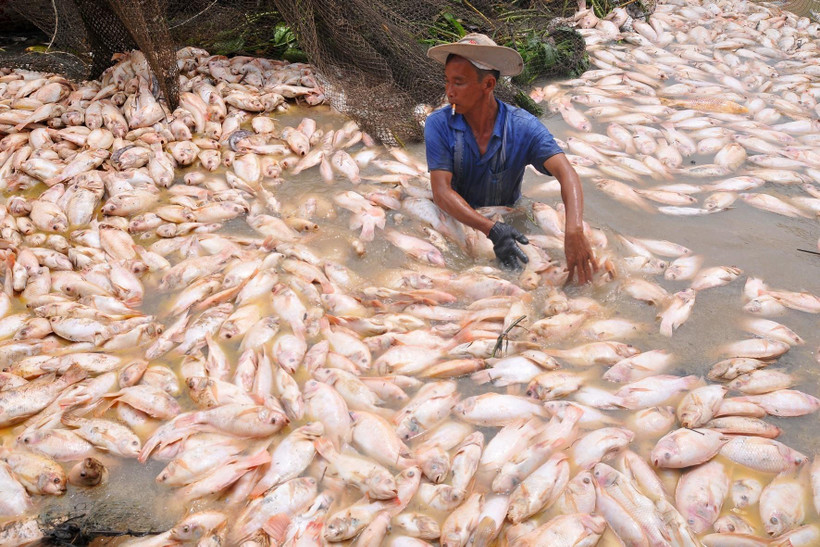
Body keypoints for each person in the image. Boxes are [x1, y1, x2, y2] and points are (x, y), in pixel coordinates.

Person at [424, 33, 598, 284]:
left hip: (510, 214)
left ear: (488, 85)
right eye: (447, 81)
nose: (449, 92)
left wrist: (574, 229)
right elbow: (441, 192)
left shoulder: (522, 126)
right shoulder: (439, 124)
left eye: (459, 83)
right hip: (460, 218)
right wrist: (491, 229)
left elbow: (566, 172)